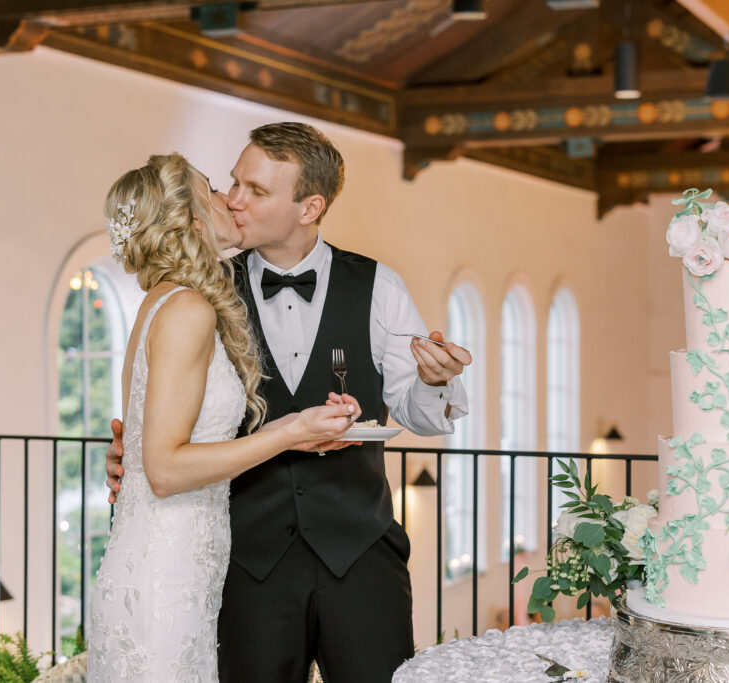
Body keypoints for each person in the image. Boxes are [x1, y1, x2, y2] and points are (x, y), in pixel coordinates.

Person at [105, 123, 472, 682]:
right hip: (246, 563)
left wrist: (436, 381)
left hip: (360, 554)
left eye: (256, 190)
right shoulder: (203, 289)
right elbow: (165, 422)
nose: (234, 199)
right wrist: (128, 453)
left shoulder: (379, 286)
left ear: (309, 207)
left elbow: (420, 414)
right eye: (233, 183)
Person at [85, 152, 361, 682]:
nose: (228, 200)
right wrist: (287, 432)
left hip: (175, 563)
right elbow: (165, 470)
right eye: (212, 188)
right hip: (166, 571)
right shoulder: (188, 309)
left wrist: (296, 435)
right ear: (191, 220)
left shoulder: (161, 302)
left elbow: (152, 447)